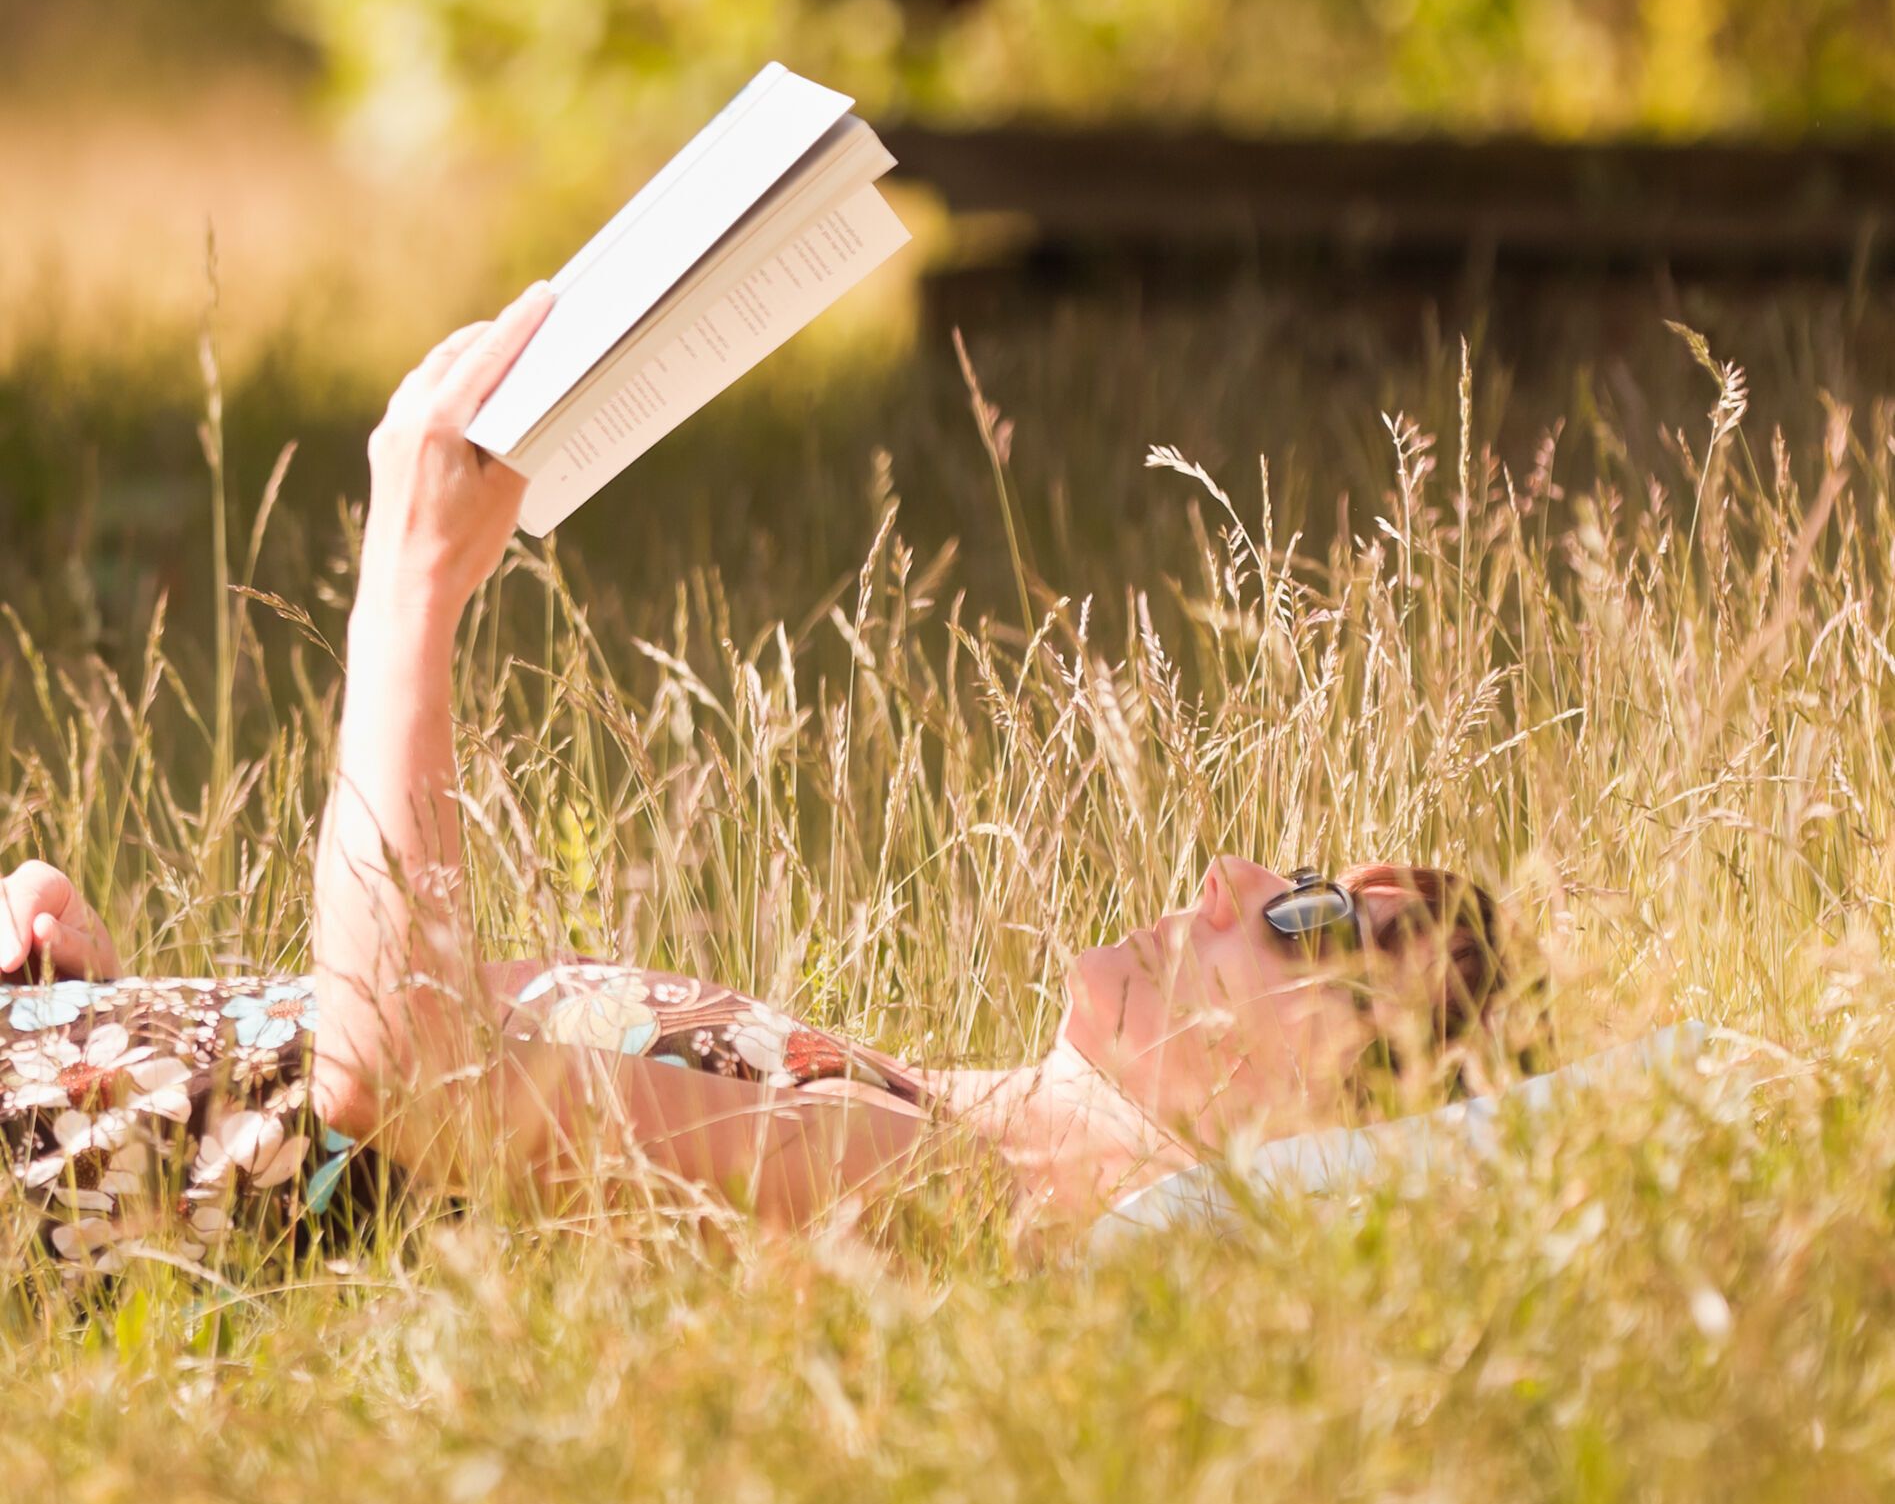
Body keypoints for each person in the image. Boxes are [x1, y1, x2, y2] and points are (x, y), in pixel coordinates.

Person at [0, 294, 1517, 1270]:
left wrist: (411, 582)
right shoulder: (901, 1111)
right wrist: (122, 1023)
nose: (1236, 880)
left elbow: (411, 1081)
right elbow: (342, 1150)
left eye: (1313, 921)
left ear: (1313, 1119)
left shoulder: (935, 1185)